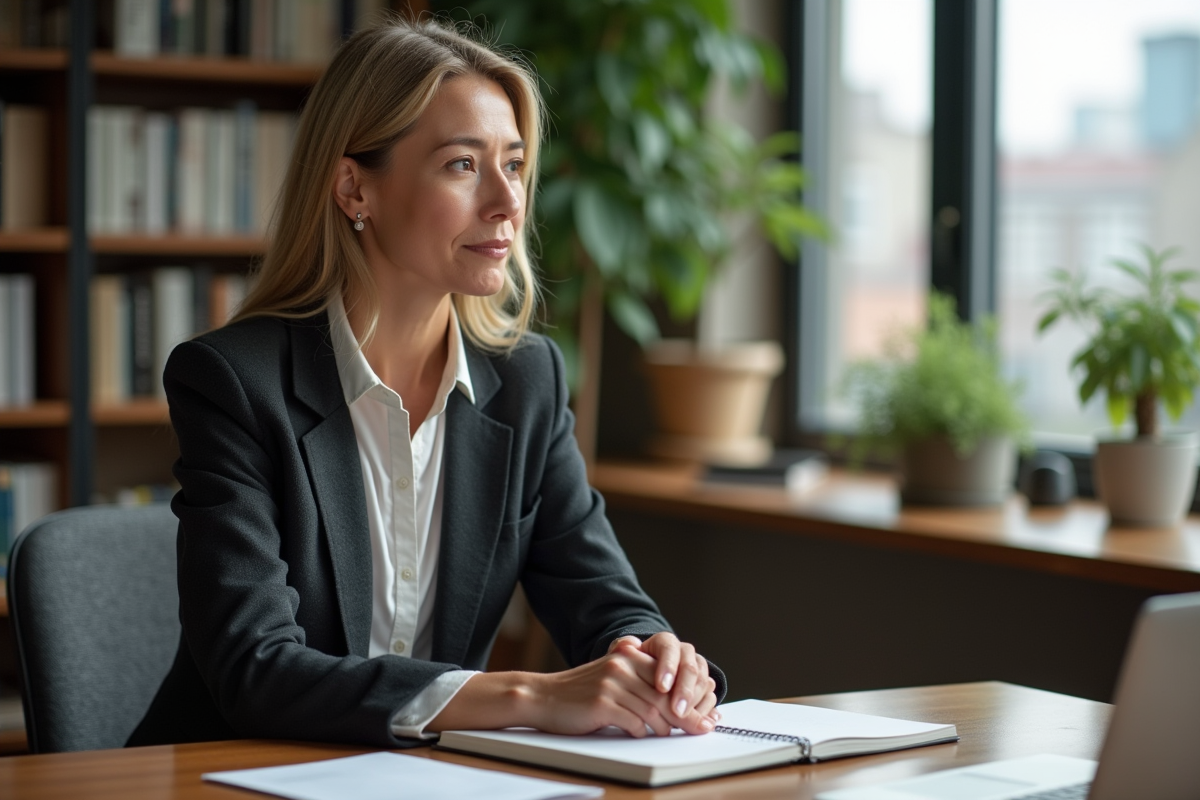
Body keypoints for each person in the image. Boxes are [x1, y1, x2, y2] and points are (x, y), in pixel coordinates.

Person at [127, 17, 725, 749]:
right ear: (355, 188)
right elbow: (257, 670)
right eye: (463, 166)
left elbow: (600, 598)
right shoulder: (235, 384)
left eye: (514, 164)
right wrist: (529, 694)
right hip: (231, 775)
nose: (508, 203)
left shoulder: (526, 380)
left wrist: (655, 658)